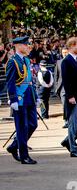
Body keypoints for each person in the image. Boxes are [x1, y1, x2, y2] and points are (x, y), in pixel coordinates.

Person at [5, 36, 39, 164]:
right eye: (25, 45)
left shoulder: (26, 60)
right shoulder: (12, 61)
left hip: (29, 96)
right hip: (19, 98)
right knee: (22, 127)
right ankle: (24, 156)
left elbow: (30, 80)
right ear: (18, 46)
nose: (28, 47)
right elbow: (11, 82)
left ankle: (14, 146)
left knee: (33, 124)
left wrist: (37, 97)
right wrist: (12, 99)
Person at [54, 47, 69, 128]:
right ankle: (66, 121)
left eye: (66, 52)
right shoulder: (59, 62)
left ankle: (73, 119)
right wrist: (56, 87)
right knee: (64, 105)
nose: (65, 54)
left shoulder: (72, 61)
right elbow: (56, 75)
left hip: (71, 87)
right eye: (63, 52)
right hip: (62, 87)